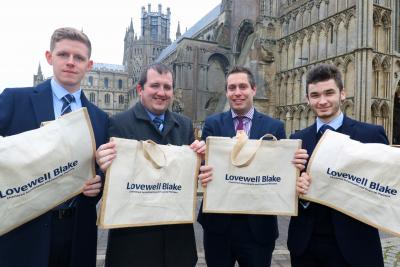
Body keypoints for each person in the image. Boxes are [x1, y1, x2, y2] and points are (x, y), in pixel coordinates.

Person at [0, 27, 109, 267]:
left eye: (79, 58)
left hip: (77, 233)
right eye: (63, 55)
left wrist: (98, 183)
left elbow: (100, 169)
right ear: (50, 57)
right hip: (25, 234)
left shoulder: (99, 119)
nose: (71, 62)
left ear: (89, 65)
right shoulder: (14, 100)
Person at [96, 62, 205, 267]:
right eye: (155, 86)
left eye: (167, 87)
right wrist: (103, 167)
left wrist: (201, 160)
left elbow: (191, 176)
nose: (161, 93)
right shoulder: (118, 124)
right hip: (133, 245)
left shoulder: (184, 125)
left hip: (176, 244)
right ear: (140, 89)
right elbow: (108, 183)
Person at [198, 66, 308, 267]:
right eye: (232, 88)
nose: (237, 92)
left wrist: (294, 165)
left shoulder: (273, 127)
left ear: (253, 90)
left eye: (243, 86)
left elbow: (280, 172)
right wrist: (201, 168)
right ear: (226, 92)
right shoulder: (213, 124)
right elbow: (204, 164)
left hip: (258, 227)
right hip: (218, 226)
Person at [289, 63, 387, 267]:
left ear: (342, 94)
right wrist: (297, 190)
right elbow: (285, 193)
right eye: (315, 95)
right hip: (306, 247)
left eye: (329, 93)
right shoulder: (297, 139)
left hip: (356, 246)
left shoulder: (370, 135)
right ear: (308, 99)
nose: (322, 101)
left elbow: (385, 189)